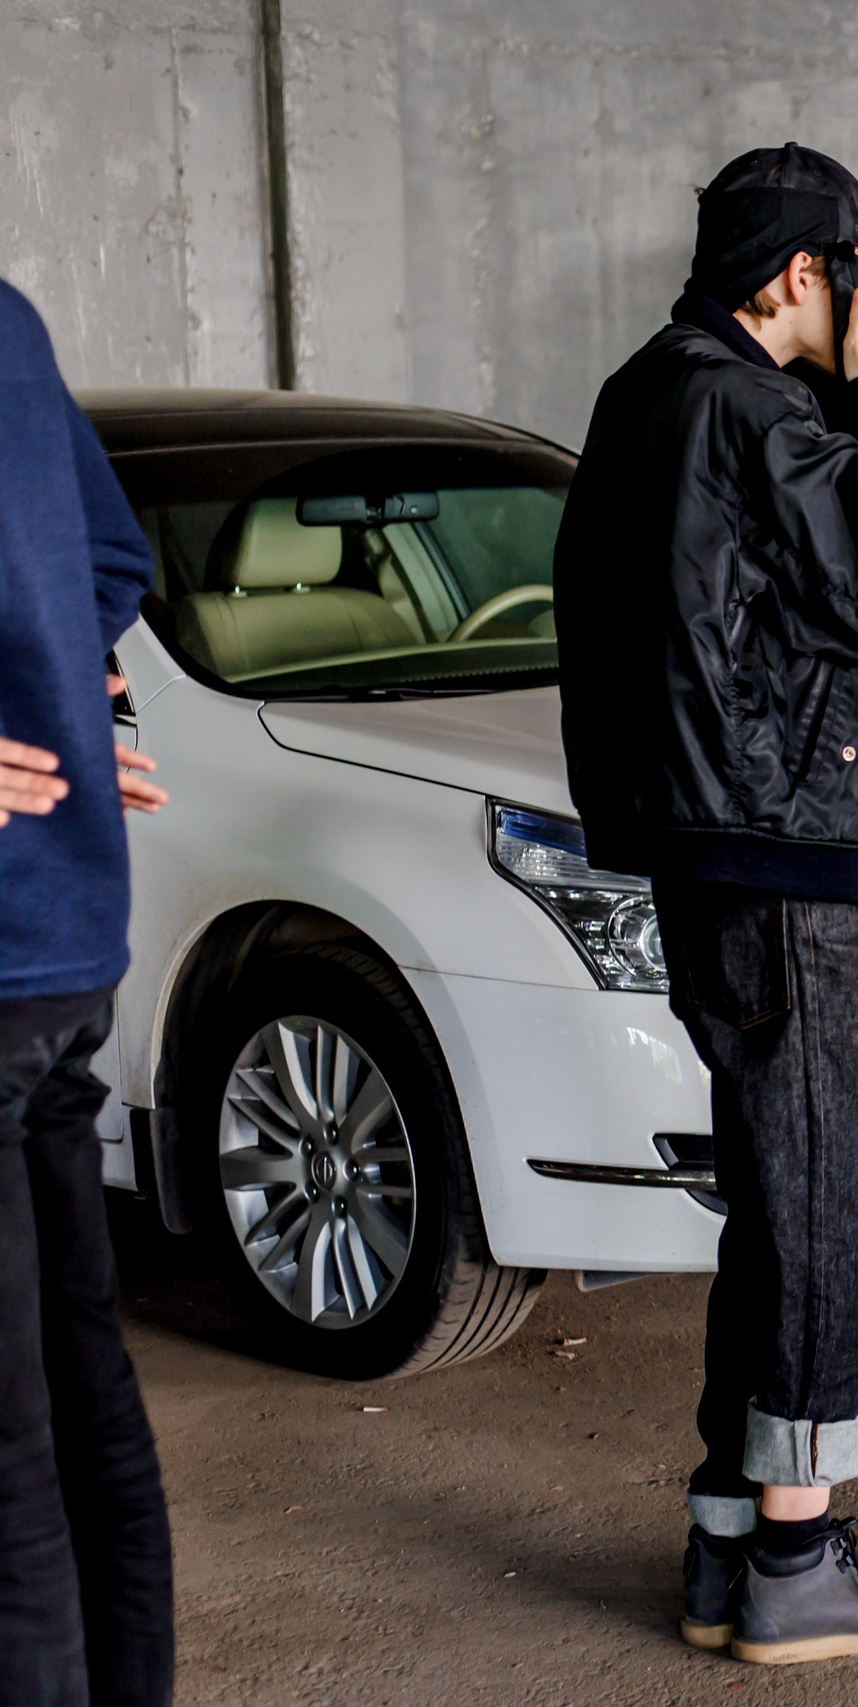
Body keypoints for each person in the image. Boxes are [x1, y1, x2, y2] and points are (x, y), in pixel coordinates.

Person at [551, 143, 858, 1665]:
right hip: (787, 865)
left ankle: (730, 1542)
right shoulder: (749, 407)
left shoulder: (647, 394)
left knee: (779, 1199)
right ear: (803, 274)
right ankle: (800, 1559)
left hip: (725, 856)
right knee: (824, 1205)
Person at [0, 276, 176, 1707]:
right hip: (64, 929)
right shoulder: (5, 322)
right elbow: (112, 557)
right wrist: (60, 699)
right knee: (79, 1378)